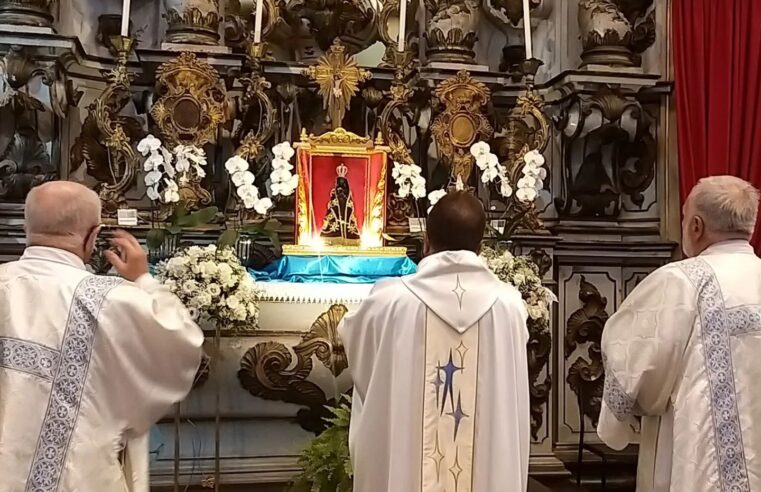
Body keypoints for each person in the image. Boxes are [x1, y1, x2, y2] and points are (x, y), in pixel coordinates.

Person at [0, 181, 204, 492]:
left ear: (28, 226)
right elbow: (183, 344)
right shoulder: (112, 299)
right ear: (94, 235)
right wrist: (143, 280)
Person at [339, 191, 531, 492]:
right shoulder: (508, 306)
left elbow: (361, 361)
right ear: (480, 247)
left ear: (426, 241)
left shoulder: (389, 302)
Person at [598, 175, 761, 491]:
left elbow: (633, 358)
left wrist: (622, 419)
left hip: (700, 464)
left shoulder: (682, 282)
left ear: (696, 226)